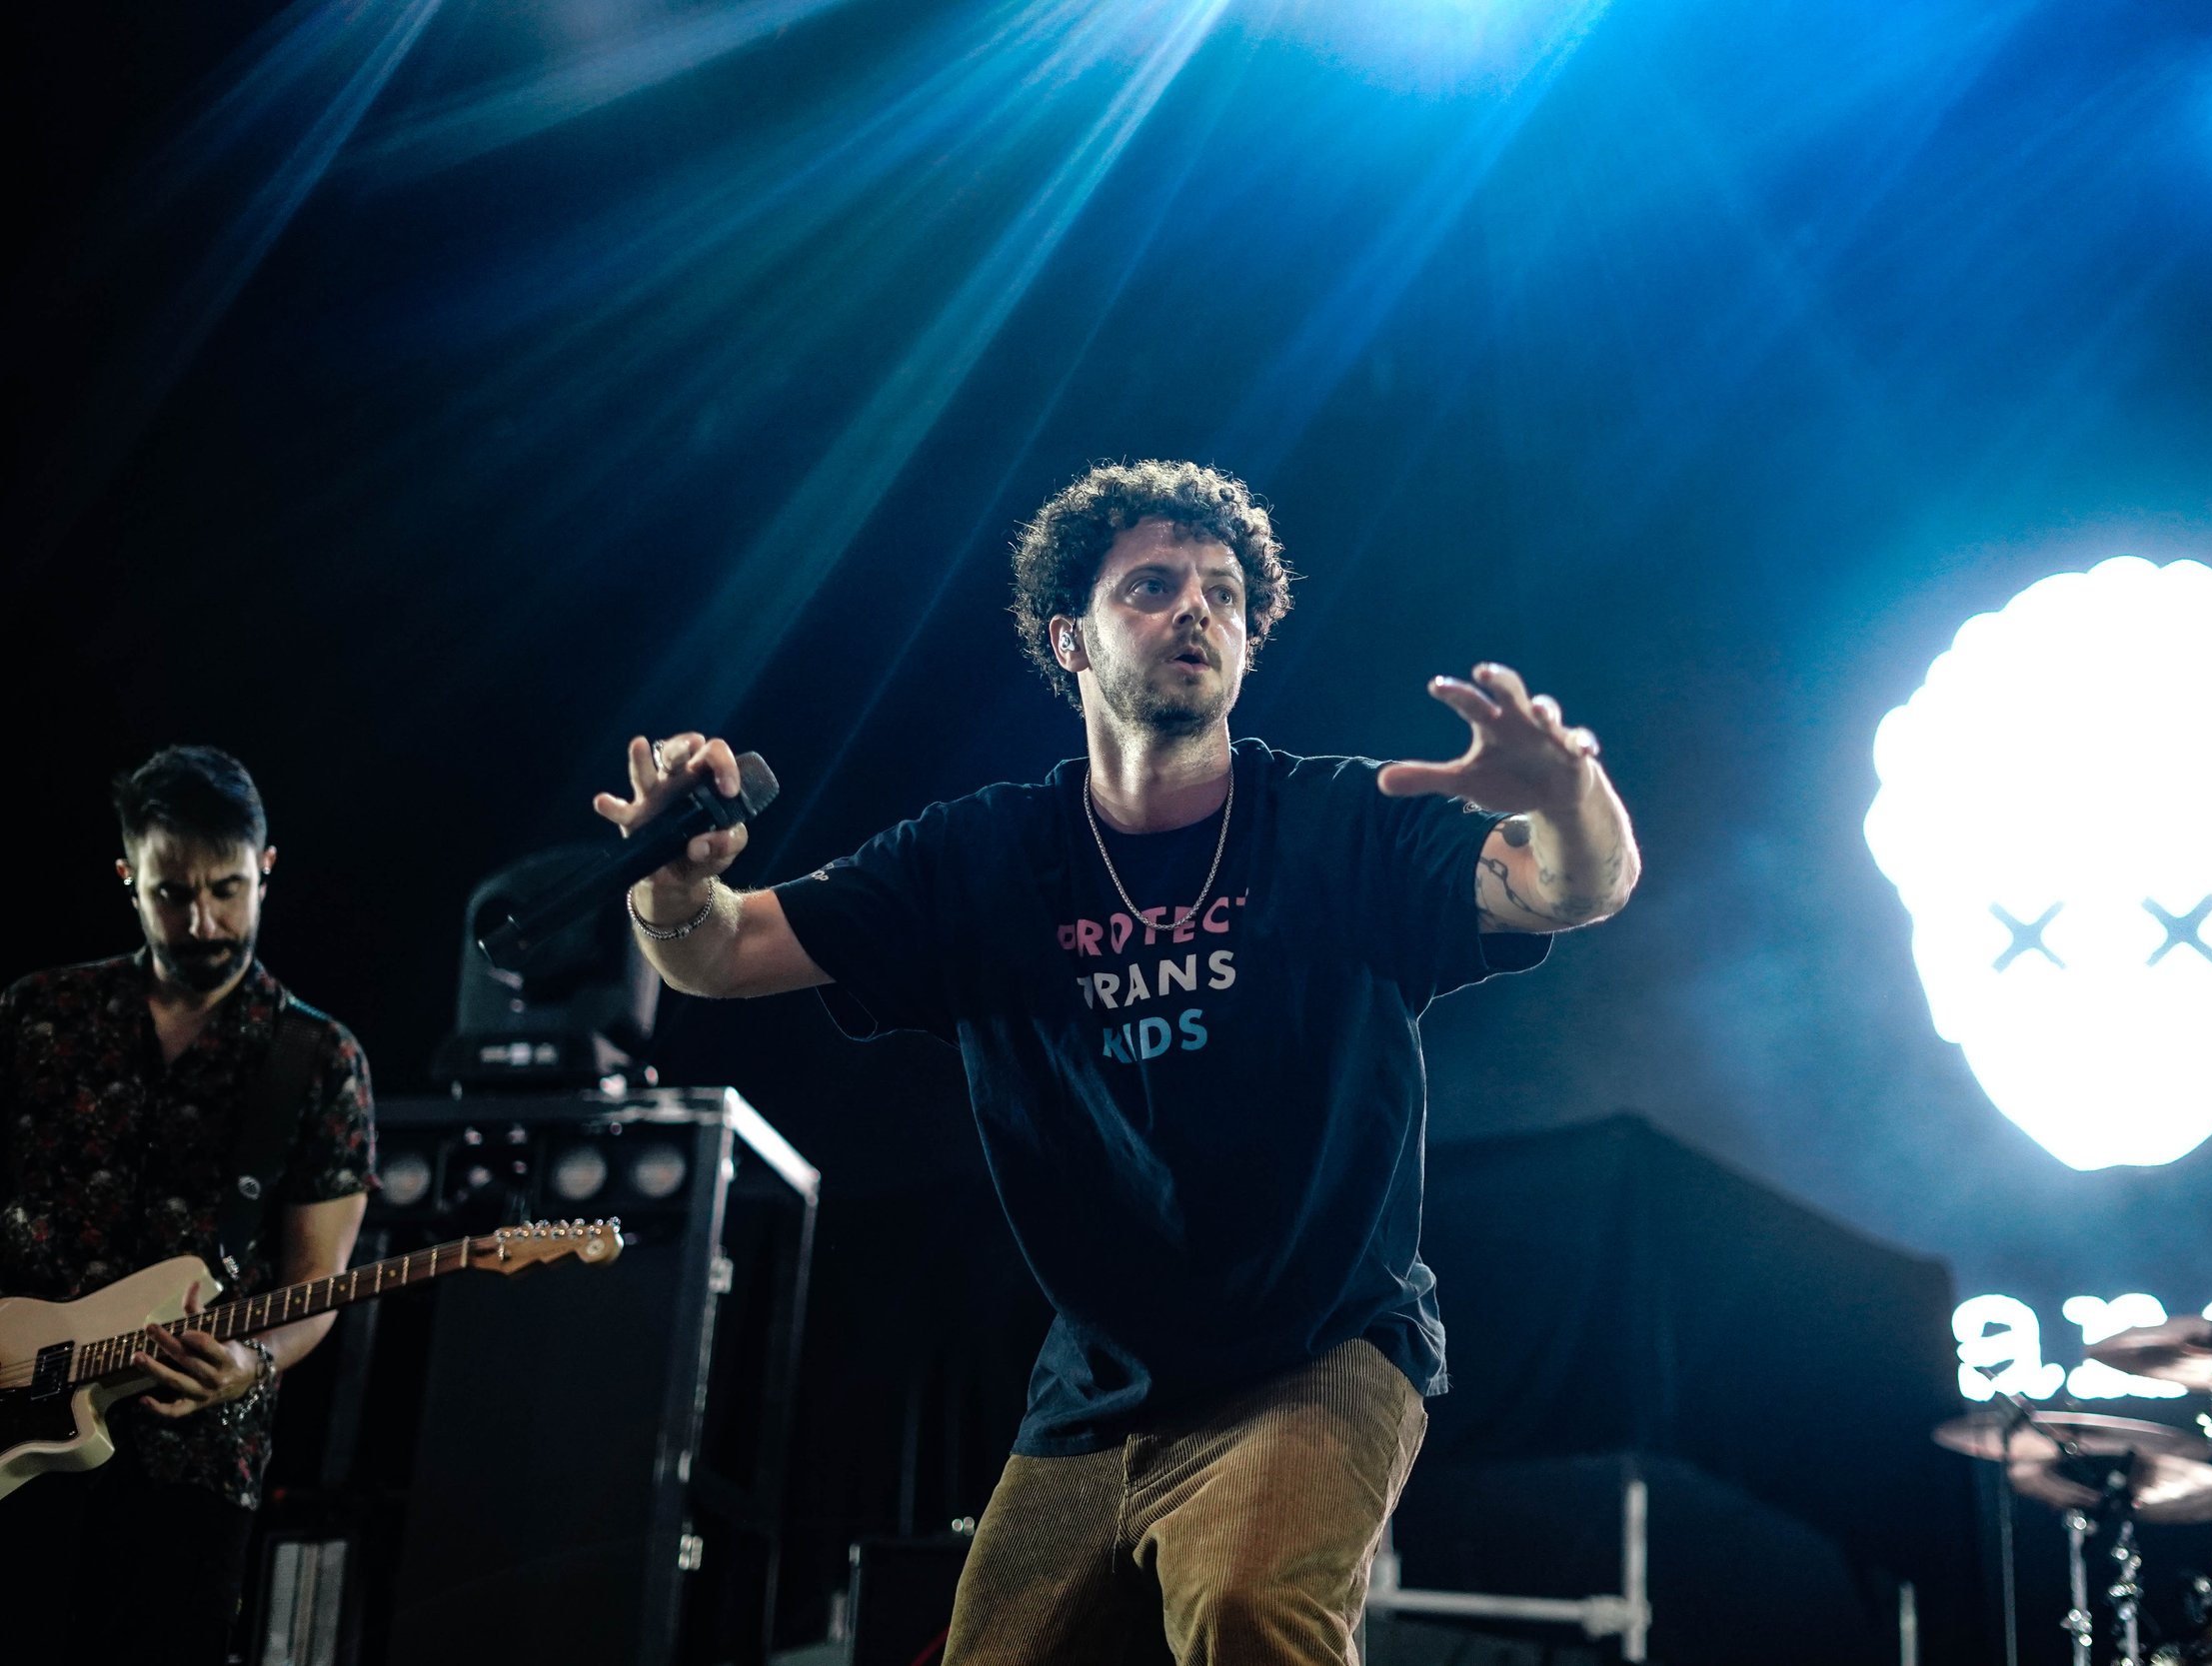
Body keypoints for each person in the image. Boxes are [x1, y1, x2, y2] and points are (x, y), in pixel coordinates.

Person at [599, 460, 1639, 1665]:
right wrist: (675, 880)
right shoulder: (979, 858)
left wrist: (1569, 796)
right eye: (1151, 585)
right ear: (1071, 640)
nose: (1197, 608)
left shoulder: (1342, 825)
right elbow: (720, 955)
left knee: (1249, 1608)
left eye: (1224, 593)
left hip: (1315, 1349)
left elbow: (1574, 885)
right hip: (1095, 1387)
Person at [0, 745, 377, 1665]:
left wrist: (253, 1359)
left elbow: (316, 1286)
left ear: (266, 867)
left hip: (192, 1461)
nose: (203, 920)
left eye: (227, 889)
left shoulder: (319, 1061)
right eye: (172, 892)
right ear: (128, 874)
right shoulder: (38, 1013)